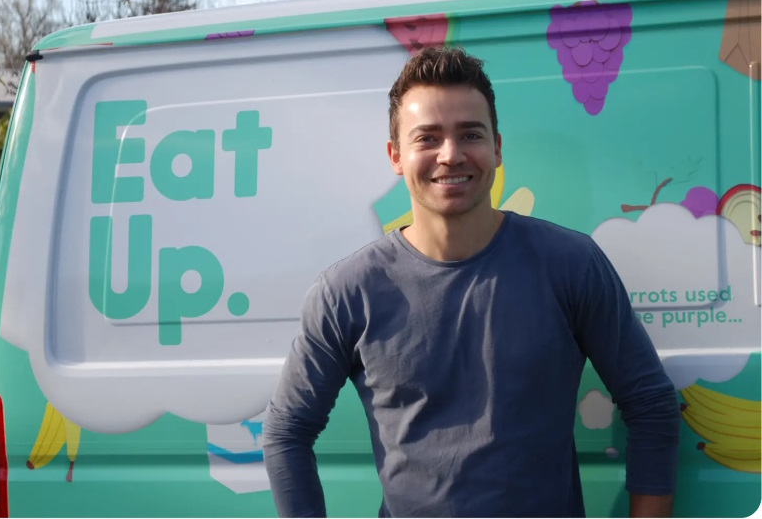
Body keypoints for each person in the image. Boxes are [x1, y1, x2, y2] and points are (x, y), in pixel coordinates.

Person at [262, 46, 680, 518]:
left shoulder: (571, 264)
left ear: (497, 148)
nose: (451, 154)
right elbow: (286, 433)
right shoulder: (346, 291)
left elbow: (651, 406)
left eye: (470, 134)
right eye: (427, 138)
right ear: (396, 156)